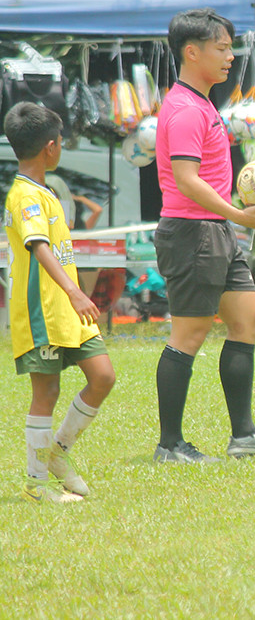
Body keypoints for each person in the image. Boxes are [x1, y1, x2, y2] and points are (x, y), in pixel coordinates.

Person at [152, 8, 255, 463]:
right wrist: (238, 213)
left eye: (231, 47)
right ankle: (170, 445)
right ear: (192, 52)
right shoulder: (185, 109)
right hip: (193, 233)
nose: (230, 56)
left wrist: (232, 219)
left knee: (247, 320)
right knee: (189, 334)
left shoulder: (204, 102)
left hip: (216, 231)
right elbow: (187, 179)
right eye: (222, 48)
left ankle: (244, 437)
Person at [2, 102, 116, 502]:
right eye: (62, 140)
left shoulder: (45, 191)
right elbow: (38, 246)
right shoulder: (24, 196)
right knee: (46, 391)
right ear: (51, 146)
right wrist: (74, 289)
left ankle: (58, 453)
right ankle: (36, 483)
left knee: (103, 376)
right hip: (42, 312)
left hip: (69, 311)